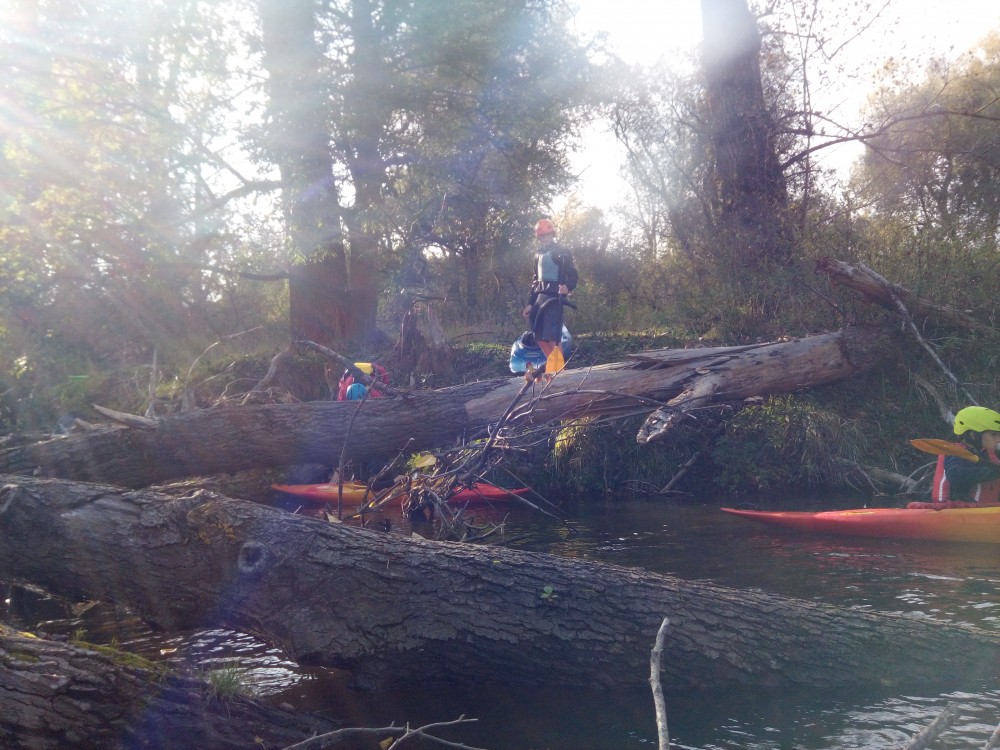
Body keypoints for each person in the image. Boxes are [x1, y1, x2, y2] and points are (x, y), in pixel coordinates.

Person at [522, 218, 577, 381]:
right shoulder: (538, 253)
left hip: (554, 298)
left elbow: (573, 275)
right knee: (539, 337)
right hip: (539, 297)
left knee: (553, 337)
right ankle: (555, 367)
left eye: (547, 234)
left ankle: (560, 374)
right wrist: (530, 303)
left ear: (553, 234)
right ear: (538, 237)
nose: (545, 237)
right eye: (542, 235)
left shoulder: (562, 252)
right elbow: (535, 280)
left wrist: (567, 287)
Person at [931, 406, 1000, 503]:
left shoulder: (988, 453)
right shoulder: (956, 453)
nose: (998, 439)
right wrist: (992, 472)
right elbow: (954, 474)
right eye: (993, 434)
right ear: (973, 435)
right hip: (955, 508)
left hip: (983, 508)